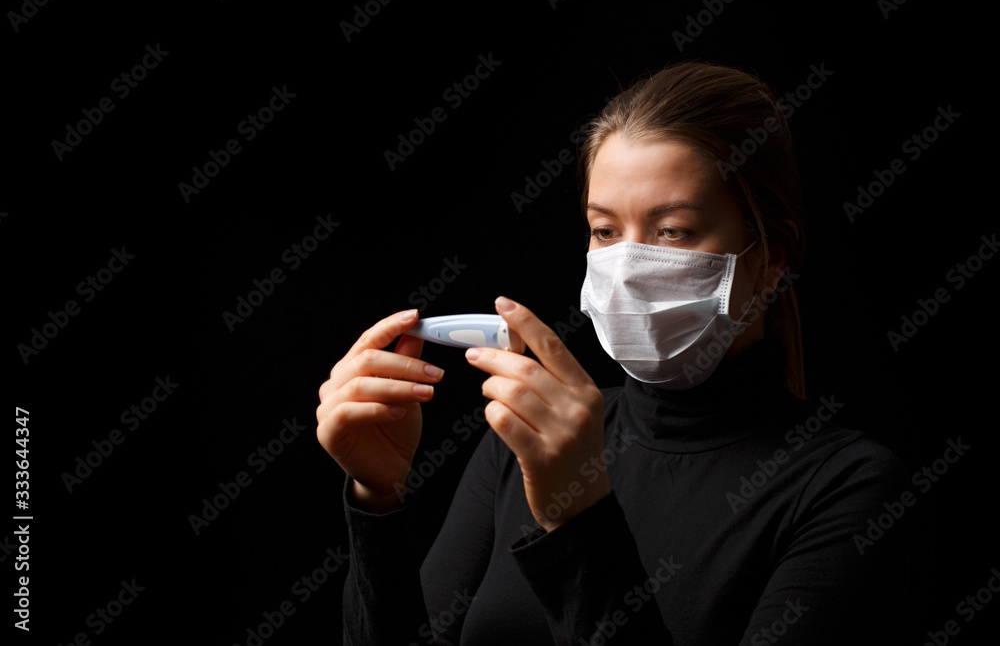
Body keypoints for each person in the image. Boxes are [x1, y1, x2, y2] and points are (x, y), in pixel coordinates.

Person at [316, 61, 911, 645]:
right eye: (604, 230)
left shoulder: (848, 488)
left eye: (673, 230)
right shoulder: (521, 439)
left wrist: (576, 518)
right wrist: (377, 500)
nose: (626, 268)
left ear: (771, 259)